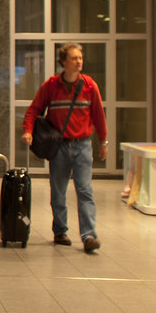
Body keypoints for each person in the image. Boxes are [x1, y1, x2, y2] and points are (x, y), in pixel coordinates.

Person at [22, 43, 108, 252]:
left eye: (80, 58)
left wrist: (104, 141)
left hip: (83, 146)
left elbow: (98, 115)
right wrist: (28, 130)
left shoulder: (89, 86)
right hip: (60, 147)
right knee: (58, 190)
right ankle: (60, 231)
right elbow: (33, 111)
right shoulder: (51, 86)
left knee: (85, 190)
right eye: (74, 58)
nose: (79, 62)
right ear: (63, 62)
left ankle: (89, 236)